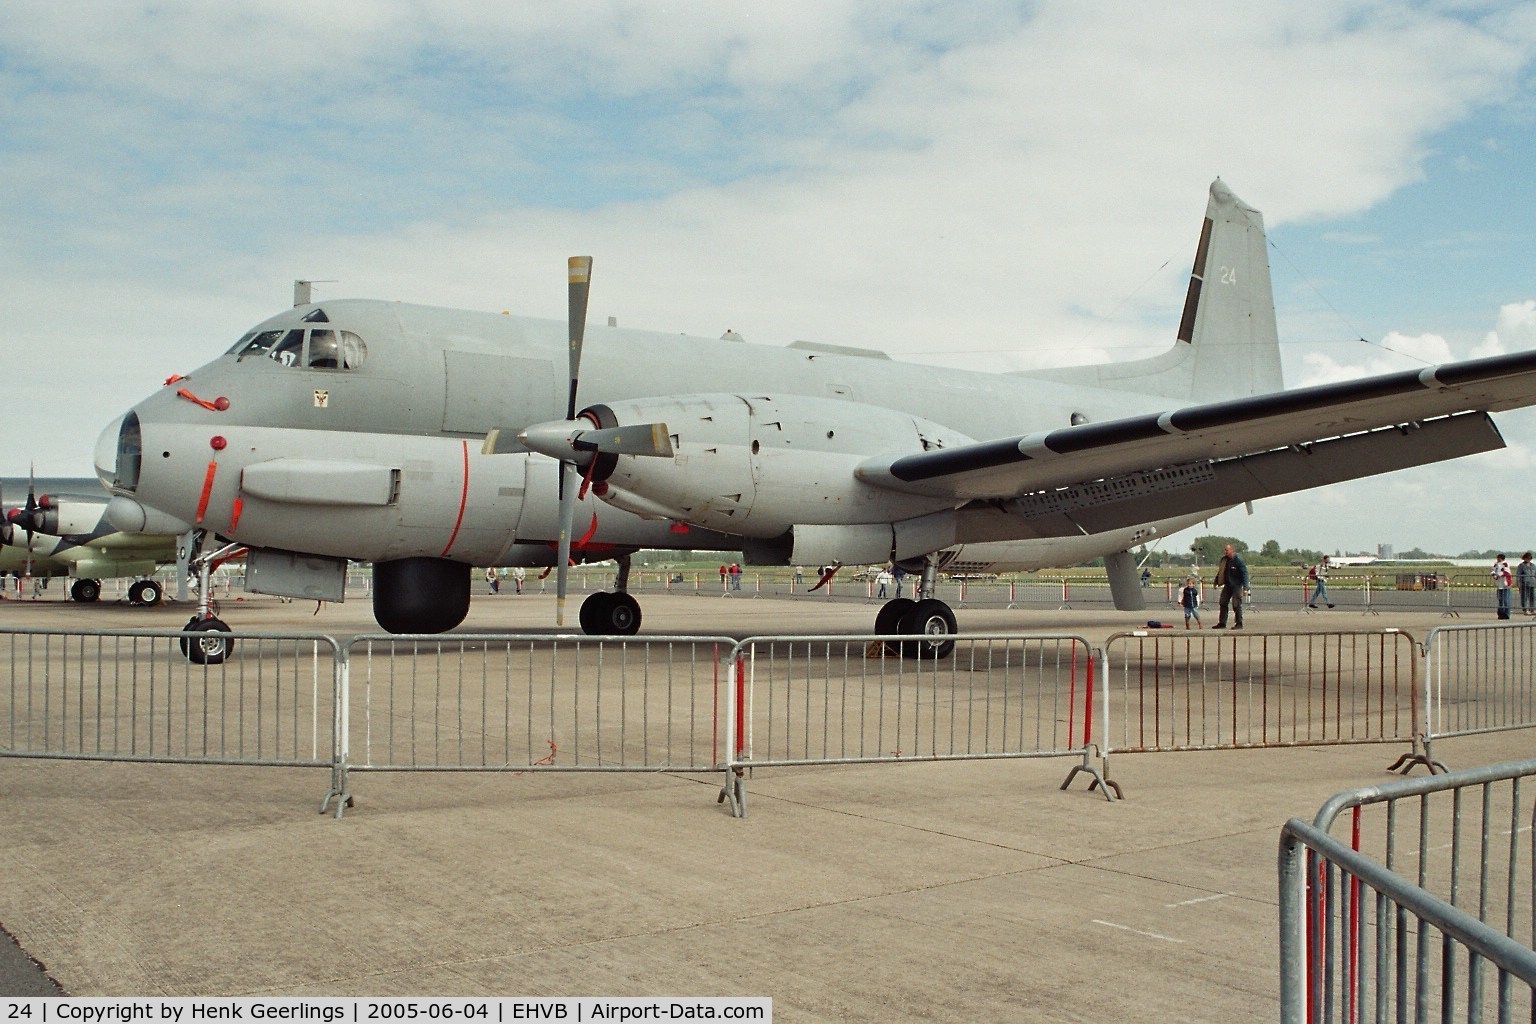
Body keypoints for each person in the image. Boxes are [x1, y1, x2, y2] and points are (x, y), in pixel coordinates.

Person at [1212, 544, 1249, 629]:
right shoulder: (1224, 560)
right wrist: (1216, 581)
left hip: (1236, 585)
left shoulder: (1238, 560)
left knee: (1236, 604)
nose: (1225, 552)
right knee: (1223, 602)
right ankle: (1222, 623)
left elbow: (1245, 573)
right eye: (1225, 550)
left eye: (1227, 550)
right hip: (1228, 585)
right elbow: (1220, 572)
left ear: (1232, 550)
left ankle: (1239, 623)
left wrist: (1246, 588)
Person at [1491, 554, 1514, 620]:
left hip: (1505, 584)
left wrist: (1498, 574)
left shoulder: (1505, 564)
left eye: (1498, 558)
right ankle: (1500, 614)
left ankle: (1507, 614)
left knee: (1506, 600)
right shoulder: (1496, 564)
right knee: (1500, 600)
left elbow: (1506, 572)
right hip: (1499, 584)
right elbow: (1493, 570)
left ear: (1501, 558)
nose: (1497, 559)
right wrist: (1494, 574)